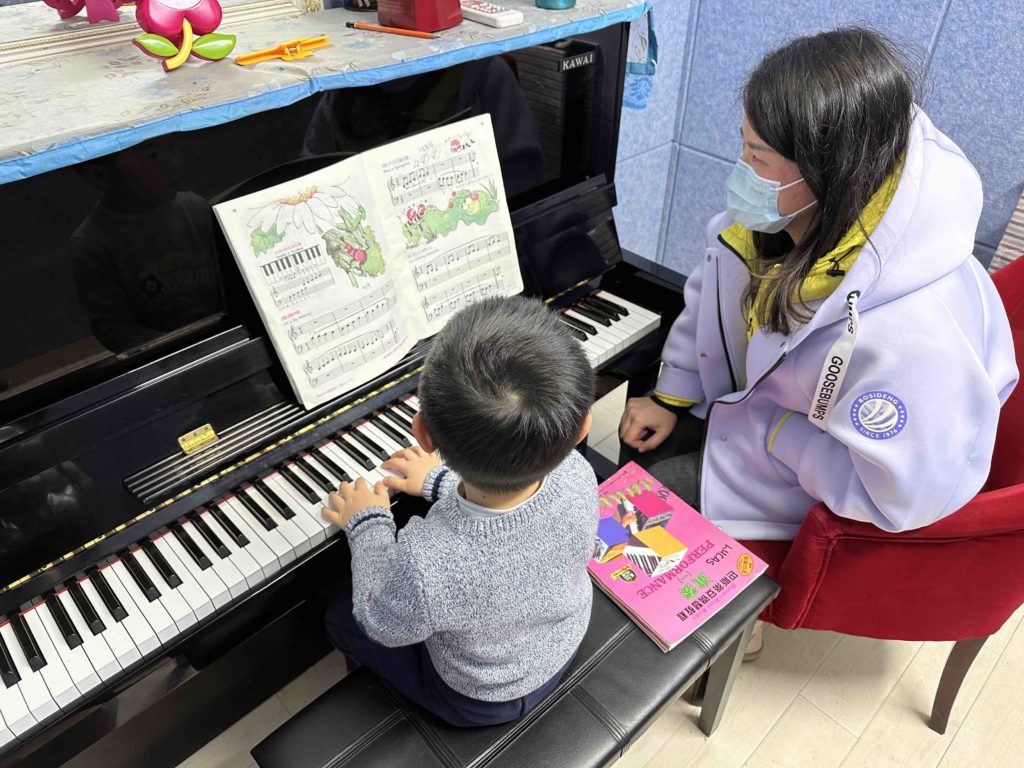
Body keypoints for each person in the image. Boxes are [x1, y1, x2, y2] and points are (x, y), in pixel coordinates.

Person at [619, 28, 1017, 545]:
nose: (742, 171)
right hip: (741, 412)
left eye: (757, 158)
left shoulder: (913, 333)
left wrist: (783, 437)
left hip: (803, 481)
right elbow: (709, 303)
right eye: (744, 147)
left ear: (830, 172)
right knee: (632, 453)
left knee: (629, 517)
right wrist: (672, 394)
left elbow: (902, 495)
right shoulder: (770, 224)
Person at [320, 296, 598, 727]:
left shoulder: (427, 562)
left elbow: (380, 623)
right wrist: (436, 482)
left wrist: (368, 523)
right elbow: (514, 520)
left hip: (482, 698)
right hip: (564, 634)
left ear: (422, 434)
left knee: (339, 614)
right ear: (582, 430)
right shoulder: (578, 472)